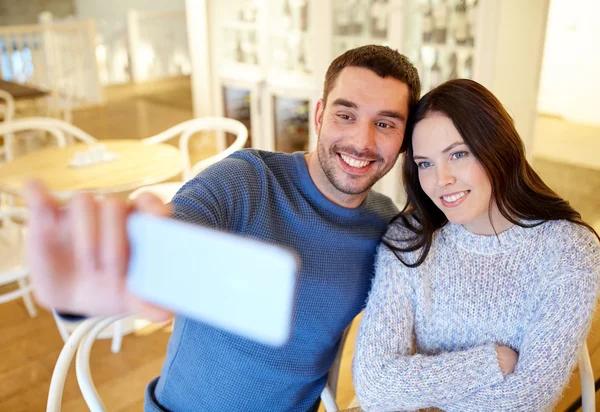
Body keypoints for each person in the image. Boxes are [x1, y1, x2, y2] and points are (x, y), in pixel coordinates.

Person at [24, 45, 421, 412]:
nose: (362, 140)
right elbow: (172, 233)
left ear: (404, 140)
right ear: (319, 115)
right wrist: (120, 267)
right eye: (345, 115)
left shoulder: (386, 228)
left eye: (385, 124)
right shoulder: (246, 180)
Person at [353, 78, 600, 412]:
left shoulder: (569, 250)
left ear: (497, 148)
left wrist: (418, 390)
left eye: (458, 154)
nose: (441, 180)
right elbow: (375, 386)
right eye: (425, 163)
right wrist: (489, 365)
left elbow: (525, 401)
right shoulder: (409, 238)